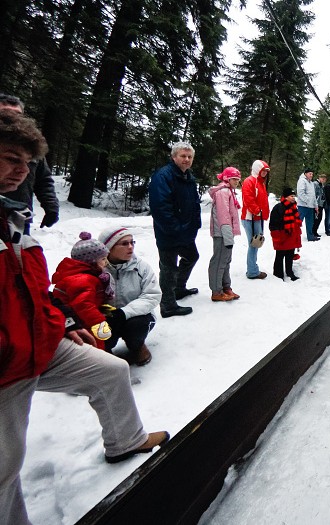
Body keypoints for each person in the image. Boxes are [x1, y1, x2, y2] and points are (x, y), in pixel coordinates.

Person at [0, 110, 168, 525]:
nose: (20, 171)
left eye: (26, 162)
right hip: (6, 364)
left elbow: (39, 292)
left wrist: (66, 324)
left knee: (110, 371)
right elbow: (83, 300)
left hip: (42, 340)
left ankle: (124, 441)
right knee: (5, 469)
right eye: (9, 158)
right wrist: (98, 323)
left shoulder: (15, 222)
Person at [148, 141, 201, 317]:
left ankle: (178, 288)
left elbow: (194, 203)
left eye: (189, 156)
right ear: (173, 157)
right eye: (183, 156)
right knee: (169, 267)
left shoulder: (188, 177)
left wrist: (195, 224)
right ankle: (168, 305)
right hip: (169, 232)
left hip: (186, 232)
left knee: (192, 256)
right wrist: (175, 229)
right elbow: (160, 208)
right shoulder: (163, 176)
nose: (186, 159)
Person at [98, 226, 160, 366]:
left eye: (132, 242)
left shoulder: (141, 267)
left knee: (136, 327)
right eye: (124, 243)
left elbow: (152, 295)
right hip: (107, 317)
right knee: (97, 329)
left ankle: (137, 346)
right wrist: (107, 314)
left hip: (137, 316)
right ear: (109, 247)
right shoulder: (98, 269)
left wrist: (124, 313)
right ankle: (104, 352)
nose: (130, 247)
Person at [0, 94, 59, 232]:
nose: (24, 170)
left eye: (17, 115)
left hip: (19, 213)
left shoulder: (30, 148)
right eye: (5, 114)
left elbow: (44, 180)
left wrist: (51, 207)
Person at [50, 232, 115, 350]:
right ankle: (99, 361)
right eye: (103, 259)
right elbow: (83, 304)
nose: (106, 262)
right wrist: (99, 322)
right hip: (80, 321)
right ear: (91, 262)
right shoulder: (83, 279)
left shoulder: (86, 275)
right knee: (94, 343)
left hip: (81, 318)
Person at [209, 167, 242, 301]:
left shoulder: (229, 192)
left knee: (226, 260)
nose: (236, 181)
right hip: (222, 233)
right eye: (234, 179)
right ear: (227, 178)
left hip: (226, 233)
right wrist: (228, 236)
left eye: (238, 179)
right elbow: (224, 217)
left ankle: (225, 287)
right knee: (219, 261)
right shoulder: (223, 192)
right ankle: (216, 291)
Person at [241, 160, 270, 280]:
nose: (265, 173)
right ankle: (252, 271)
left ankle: (253, 268)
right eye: (263, 170)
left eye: (266, 171)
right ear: (257, 169)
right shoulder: (250, 181)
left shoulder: (260, 182)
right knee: (254, 243)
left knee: (256, 243)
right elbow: (248, 199)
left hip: (257, 217)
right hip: (251, 218)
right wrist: (256, 210)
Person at [269, 187, 301, 281]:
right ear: (285, 197)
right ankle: (278, 275)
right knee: (280, 255)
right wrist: (277, 235)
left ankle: (290, 272)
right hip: (282, 235)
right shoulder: (278, 207)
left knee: (290, 255)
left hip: (291, 235)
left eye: (294, 196)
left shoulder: (294, 207)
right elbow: (273, 224)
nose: (293, 198)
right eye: (291, 196)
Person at [296, 167, 319, 242]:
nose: (311, 175)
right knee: (298, 222)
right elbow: (300, 193)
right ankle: (295, 236)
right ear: (305, 174)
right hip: (302, 206)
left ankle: (310, 236)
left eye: (312, 174)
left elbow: (313, 195)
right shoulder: (302, 181)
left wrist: (316, 205)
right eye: (310, 173)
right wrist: (307, 201)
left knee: (310, 222)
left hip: (310, 207)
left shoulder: (311, 183)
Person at [313, 173, 326, 238]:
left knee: (319, 218)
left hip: (321, 204)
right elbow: (314, 194)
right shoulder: (315, 184)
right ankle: (313, 232)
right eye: (322, 178)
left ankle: (315, 231)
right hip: (316, 204)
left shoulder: (322, 185)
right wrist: (315, 204)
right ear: (319, 178)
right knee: (316, 218)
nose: (323, 180)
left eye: (324, 179)